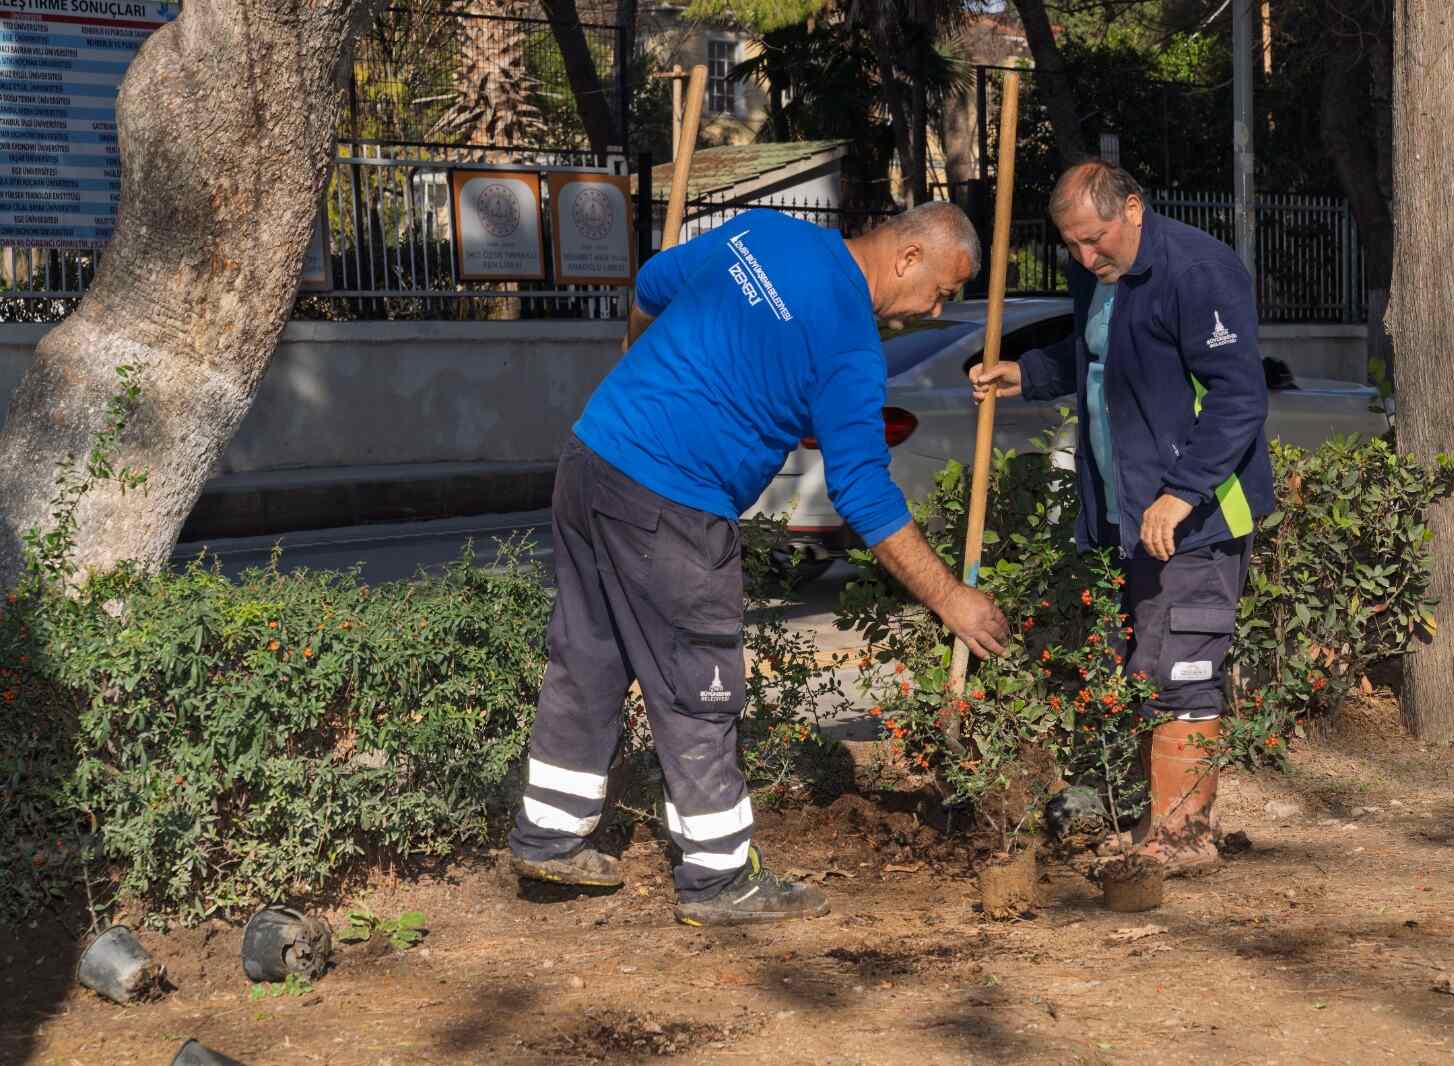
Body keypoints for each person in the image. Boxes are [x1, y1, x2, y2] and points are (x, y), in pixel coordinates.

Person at [511, 203, 1010, 925]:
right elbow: (862, 491)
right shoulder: (849, 344)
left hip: (593, 456)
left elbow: (652, 285)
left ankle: (550, 835)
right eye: (941, 288)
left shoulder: (768, 232)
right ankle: (717, 880)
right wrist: (950, 598)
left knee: (588, 653)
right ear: (908, 256)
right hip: (673, 502)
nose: (934, 307)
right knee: (700, 684)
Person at [970, 161, 1273, 876]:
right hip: (1134, 512)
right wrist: (1027, 374)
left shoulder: (1199, 271)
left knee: (1185, 662)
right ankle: (1160, 824)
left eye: (1095, 239)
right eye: (1072, 245)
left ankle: (1184, 836)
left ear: (1133, 208)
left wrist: (1183, 490)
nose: (1085, 257)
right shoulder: (1098, 276)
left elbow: (1238, 397)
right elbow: (1098, 356)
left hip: (1198, 515)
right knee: (1149, 663)